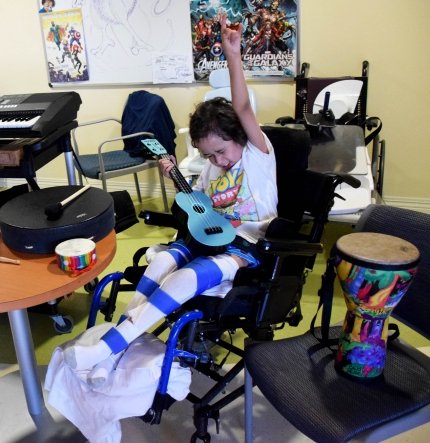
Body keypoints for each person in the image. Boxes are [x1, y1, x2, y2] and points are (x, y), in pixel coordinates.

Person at [63, 11, 278, 386]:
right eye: (209, 155)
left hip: (245, 248)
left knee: (184, 279)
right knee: (160, 261)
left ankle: (105, 350)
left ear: (240, 138)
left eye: (222, 152)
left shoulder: (258, 156)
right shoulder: (213, 168)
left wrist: (233, 57)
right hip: (206, 240)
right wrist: (178, 178)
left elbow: (242, 109)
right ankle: (122, 345)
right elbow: (203, 205)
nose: (218, 161)